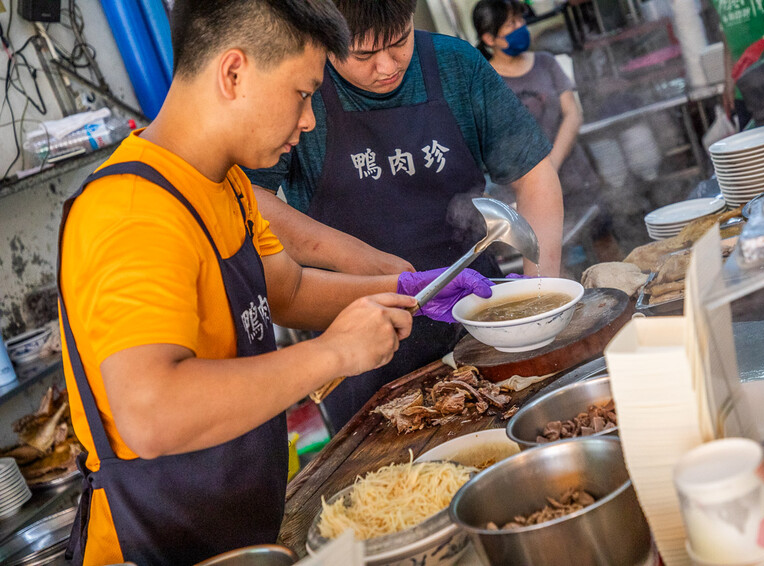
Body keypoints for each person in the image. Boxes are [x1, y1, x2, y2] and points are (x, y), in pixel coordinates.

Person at [58, 2, 491, 564]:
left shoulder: (226, 185)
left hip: (238, 524)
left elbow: (287, 292)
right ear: (234, 72)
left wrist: (409, 289)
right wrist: (334, 352)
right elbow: (151, 413)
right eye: (302, 93)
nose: (308, 120)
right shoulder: (132, 211)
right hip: (154, 543)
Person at [245, 0, 565, 432]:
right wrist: (361, 260)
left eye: (399, 42)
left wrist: (539, 300)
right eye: (363, 54)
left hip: (477, 317)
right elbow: (250, 200)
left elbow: (535, 177)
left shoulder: (456, 65)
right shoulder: (300, 86)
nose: (387, 66)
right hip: (358, 337)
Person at [472, 0, 620, 267]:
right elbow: (492, 143)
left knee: (605, 245)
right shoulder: (485, 81)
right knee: (552, 264)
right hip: (526, 194)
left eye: (520, 20)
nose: (521, 27)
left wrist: (550, 165)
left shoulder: (545, 62)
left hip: (575, 178)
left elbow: (572, 114)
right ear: (489, 38)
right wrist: (537, 179)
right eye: (511, 24)